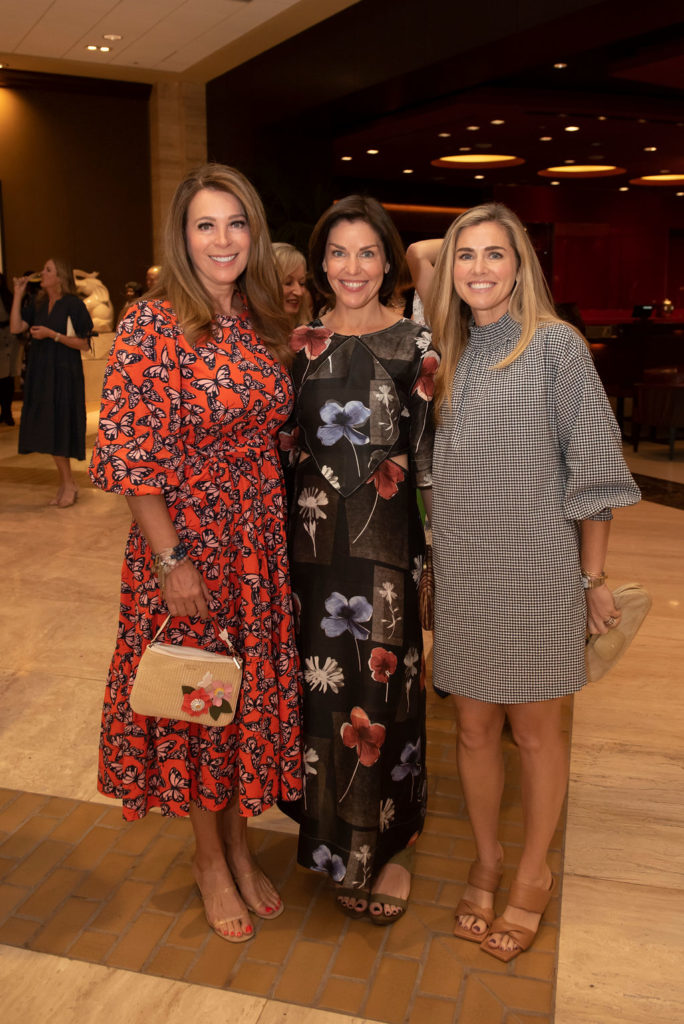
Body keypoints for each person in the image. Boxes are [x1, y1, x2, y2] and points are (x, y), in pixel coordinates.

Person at [418, 202, 640, 961]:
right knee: (473, 728)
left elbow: (598, 471)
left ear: (521, 266)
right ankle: (485, 859)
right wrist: (444, 256)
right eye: (466, 256)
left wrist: (594, 577)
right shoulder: (444, 351)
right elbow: (419, 257)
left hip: (542, 569)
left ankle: (534, 874)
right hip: (466, 570)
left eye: (495, 254)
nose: (479, 269)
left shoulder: (556, 347)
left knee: (535, 735)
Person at [90, 163, 302, 944]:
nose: (223, 240)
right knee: (198, 706)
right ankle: (209, 859)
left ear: (255, 233)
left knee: (240, 702)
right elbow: (131, 456)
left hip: (259, 548)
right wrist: (172, 560)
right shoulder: (152, 324)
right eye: (206, 226)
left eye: (236, 224)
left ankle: (242, 846)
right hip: (188, 548)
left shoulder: (260, 318)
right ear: (182, 239)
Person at [280, 195, 437, 925]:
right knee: (323, 701)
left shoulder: (419, 345)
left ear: (388, 260)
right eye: (338, 253)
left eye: (366, 253)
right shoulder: (296, 344)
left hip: (387, 554)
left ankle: (386, 851)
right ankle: (333, 844)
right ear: (321, 263)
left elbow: (434, 462)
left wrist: (436, 564)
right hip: (310, 552)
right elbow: (278, 451)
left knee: (384, 699)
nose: (352, 268)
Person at [10, 259, 93, 506]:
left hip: (65, 372)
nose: (42, 274)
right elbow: (16, 327)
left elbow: (84, 343)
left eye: (48, 270)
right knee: (48, 426)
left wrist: (52, 335)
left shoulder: (73, 304)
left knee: (60, 425)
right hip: (41, 372)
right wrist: (17, 294)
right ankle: (67, 482)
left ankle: (68, 483)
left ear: (60, 277)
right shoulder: (38, 303)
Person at [272, 242, 313, 327]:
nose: (299, 292)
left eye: (302, 283)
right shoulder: (245, 334)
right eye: (288, 283)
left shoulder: (309, 333)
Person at [0, 274, 22, 425]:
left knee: (8, 377)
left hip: (10, 338)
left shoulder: (8, 297)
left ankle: (7, 412)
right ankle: (5, 412)